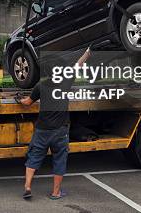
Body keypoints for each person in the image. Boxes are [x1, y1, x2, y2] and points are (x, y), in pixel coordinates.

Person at [19, 47, 91, 200]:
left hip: (42, 129)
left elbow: (28, 102)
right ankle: (56, 192)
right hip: (60, 130)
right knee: (59, 160)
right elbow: (78, 64)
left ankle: (27, 186)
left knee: (34, 157)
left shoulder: (40, 86)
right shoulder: (65, 81)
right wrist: (87, 53)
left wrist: (21, 101)